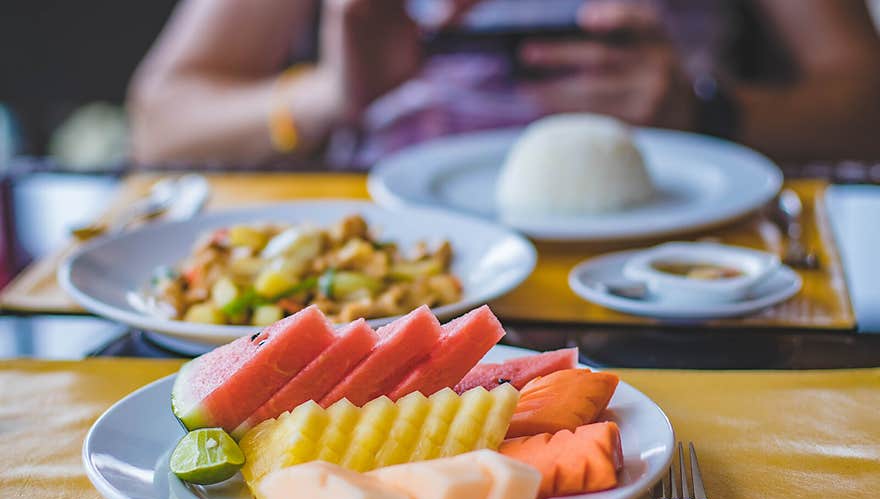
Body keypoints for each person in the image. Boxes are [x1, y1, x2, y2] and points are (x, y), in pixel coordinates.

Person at [127, 0, 880, 169]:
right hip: (403, 267)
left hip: (664, 254)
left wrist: (705, 110)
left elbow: (866, 107)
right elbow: (160, 121)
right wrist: (329, 94)